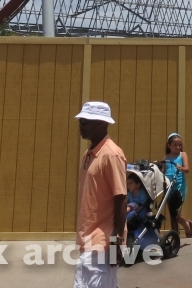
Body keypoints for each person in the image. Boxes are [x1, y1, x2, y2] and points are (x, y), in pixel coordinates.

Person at [74, 101, 127, 288]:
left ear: (100, 123)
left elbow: (120, 197)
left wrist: (116, 241)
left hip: (102, 242)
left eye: (85, 120)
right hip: (87, 240)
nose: (80, 124)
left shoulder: (112, 155)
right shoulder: (89, 154)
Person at [162, 133, 192, 238]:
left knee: (175, 212)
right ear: (169, 145)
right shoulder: (166, 157)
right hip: (168, 188)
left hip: (179, 188)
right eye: (175, 145)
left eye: (179, 145)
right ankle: (175, 235)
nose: (178, 147)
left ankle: (186, 226)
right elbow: (163, 171)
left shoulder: (182, 155)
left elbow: (187, 169)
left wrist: (181, 168)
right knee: (173, 214)